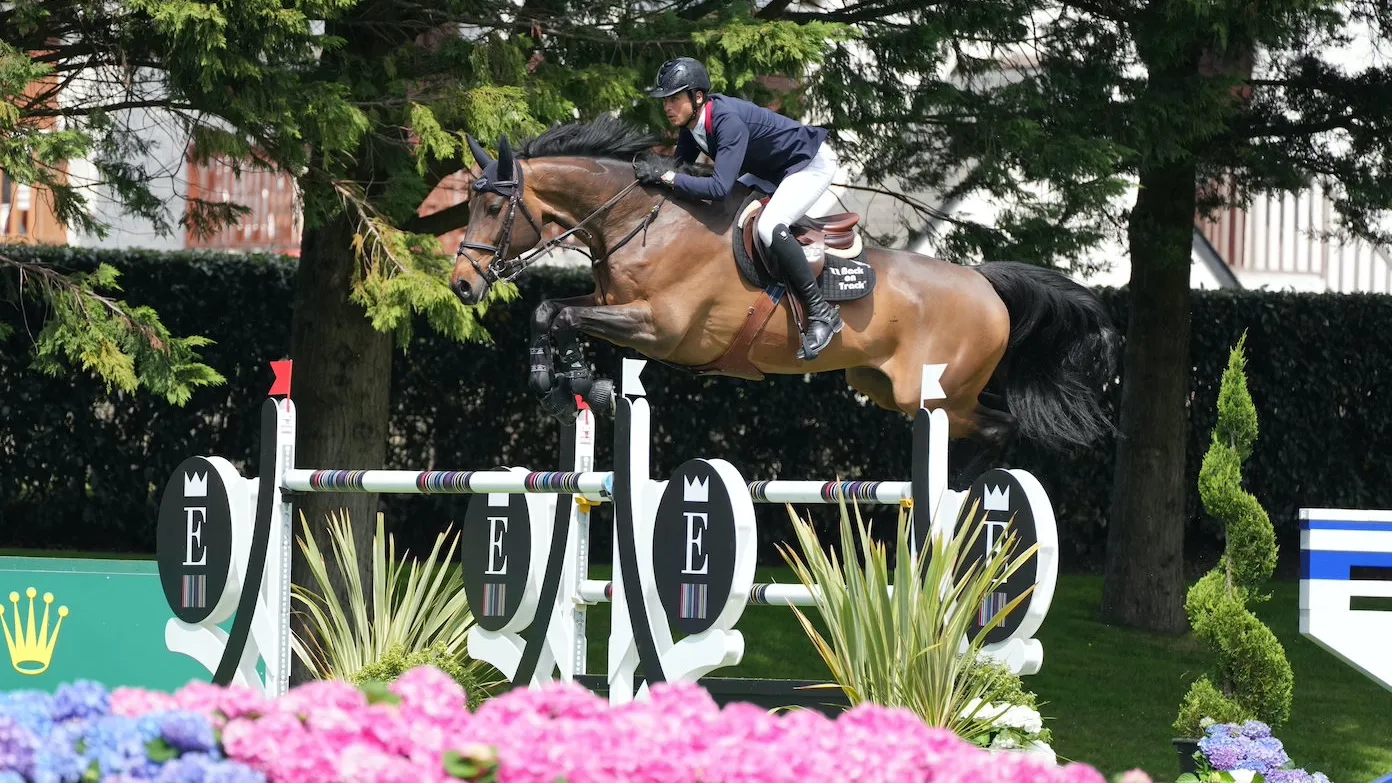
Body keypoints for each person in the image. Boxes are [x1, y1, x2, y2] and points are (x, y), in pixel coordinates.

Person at [634, 57, 843, 362]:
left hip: (808, 163)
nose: (667, 107)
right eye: (665, 100)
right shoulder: (692, 125)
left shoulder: (726, 121)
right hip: (770, 168)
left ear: (698, 97)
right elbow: (679, 169)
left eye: (674, 98)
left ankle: (821, 312)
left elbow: (717, 188)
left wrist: (667, 177)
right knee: (733, 214)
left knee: (769, 226)